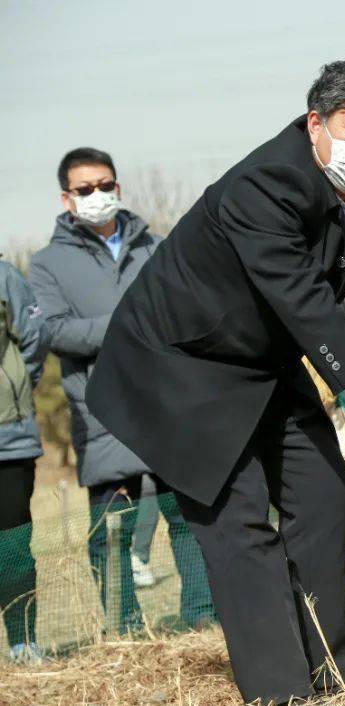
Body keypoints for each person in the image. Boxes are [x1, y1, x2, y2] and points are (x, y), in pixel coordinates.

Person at [85, 56, 345, 706]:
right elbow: (303, 299)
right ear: (316, 122)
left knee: (327, 496)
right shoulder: (266, 183)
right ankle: (281, 694)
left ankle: (336, 671)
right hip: (182, 364)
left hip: (265, 360)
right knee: (240, 522)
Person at [29, 148, 214, 635]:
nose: (97, 196)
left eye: (104, 185)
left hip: (169, 403)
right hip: (102, 409)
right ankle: (125, 627)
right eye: (85, 189)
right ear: (67, 199)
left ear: (118, 186)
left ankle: (201, 615)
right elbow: (54, 331)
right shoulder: (48, 264)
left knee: (189, 517)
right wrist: (125, 326)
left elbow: (184, 309)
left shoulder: (154, 246)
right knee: (112, 527)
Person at [0, 261, 47, 664]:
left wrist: (10, 388)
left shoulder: (4, 276)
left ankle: (23, 643)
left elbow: (34, 339)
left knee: (12, 547)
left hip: (7, 441)